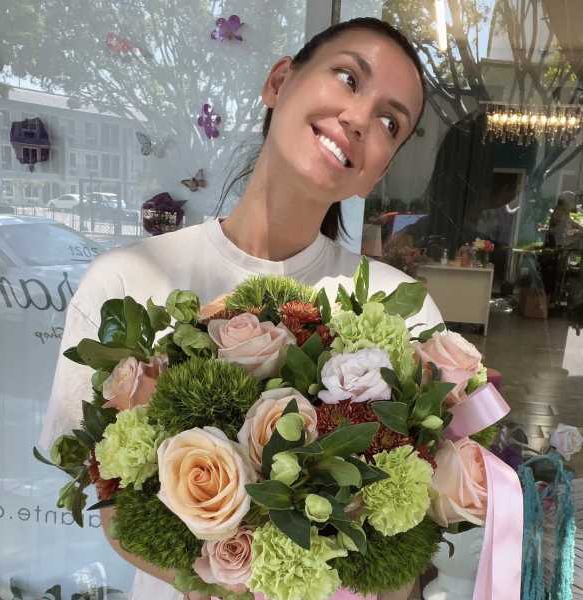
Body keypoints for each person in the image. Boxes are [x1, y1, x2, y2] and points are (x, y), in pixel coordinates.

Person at [39, 17, 442, 600]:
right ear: (279, 82)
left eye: (389, 122)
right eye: (348, 78)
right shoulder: (126, 283)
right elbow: (114, 508)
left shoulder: (405, 315)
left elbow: (405, 551)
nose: (359, 118)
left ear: (378, 171)